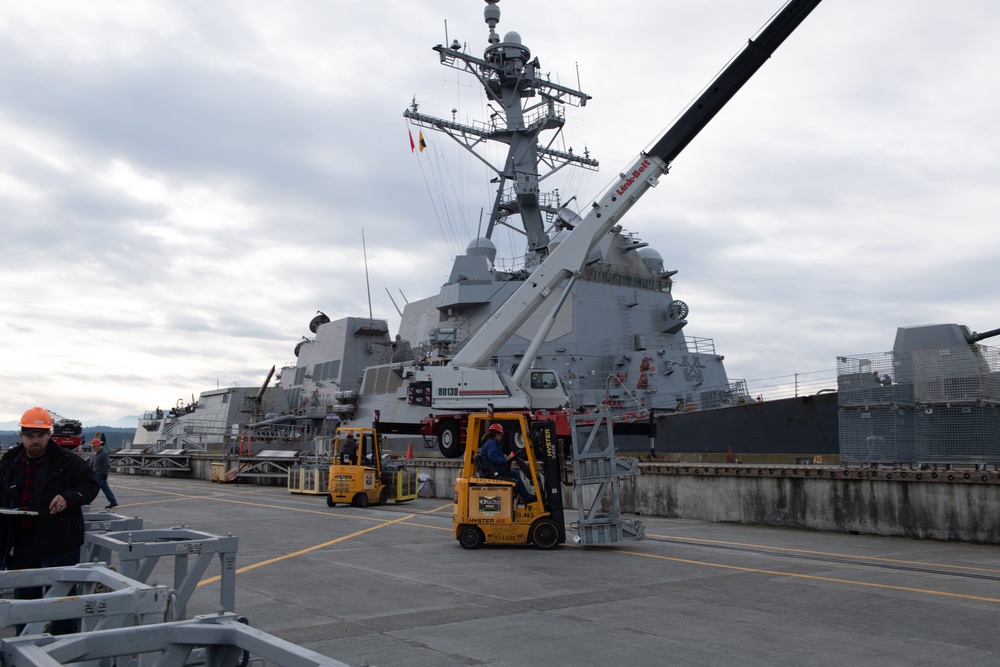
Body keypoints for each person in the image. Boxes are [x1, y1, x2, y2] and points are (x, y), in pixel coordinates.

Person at [0, 407, 100, 635]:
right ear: (21, 436)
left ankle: (63, 648)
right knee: (25, 599)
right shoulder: (10, 461)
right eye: (30, 435)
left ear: (49, 435)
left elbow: (91, 486)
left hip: (60, 541)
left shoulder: (68, 461)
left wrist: (69, 497)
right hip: (23, 542)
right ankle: (24, 644)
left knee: (63, 602)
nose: (35, 440)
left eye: (41, 435)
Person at [479, 423, 535, 503]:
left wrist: (506, 458)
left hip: (494, 469)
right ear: (496, 434)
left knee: (514, 473)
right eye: (500, 435)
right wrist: (504, 461)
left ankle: (525, 496)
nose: (501, 438)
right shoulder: (492, 443)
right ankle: (526, 497)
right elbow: (493, 456)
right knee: (515, 476)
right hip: (494, 471)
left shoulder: (491, 443)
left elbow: (496, 455)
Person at [89, 437, 118, 510]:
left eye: (94, 446)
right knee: (105, 489)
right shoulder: (96, 453)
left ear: (98, 445)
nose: (93, 448)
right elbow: (92, 464)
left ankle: (87, 502)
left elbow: (107, 464)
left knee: (93, 489)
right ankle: (113, 501)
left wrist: (105, 473)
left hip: (100, 474)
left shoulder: (104, 453)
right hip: (96, 473)